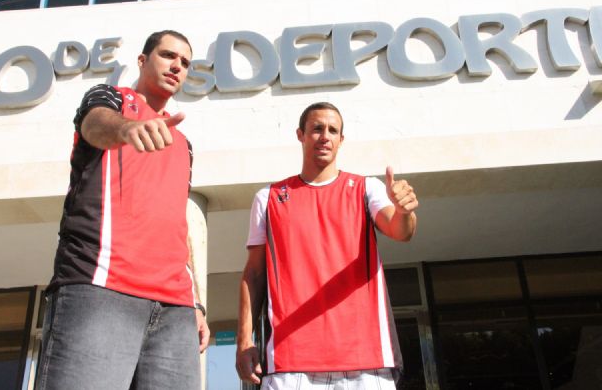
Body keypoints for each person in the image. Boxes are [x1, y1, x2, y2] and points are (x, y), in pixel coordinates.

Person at [35, 30, 210, 390]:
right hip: (100, 288)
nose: (177, 66)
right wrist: (128, 128)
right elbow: (94, 124)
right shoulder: (111, 100)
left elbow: (176, 224)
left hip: (175, 308)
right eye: (168, 55)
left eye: (185, 62)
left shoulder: (184, 144)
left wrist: (195, 302)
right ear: (143, 61)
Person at [236, 102, 419, 389]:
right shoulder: (268, 198)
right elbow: (254, 274)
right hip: (290, 361)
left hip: (365, 358)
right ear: (300, 135)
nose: (325, 137)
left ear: (341, 140)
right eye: (317, 129)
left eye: (333, 131)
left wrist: (404, 211)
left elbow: (400, 231)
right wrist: (244, 340)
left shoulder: (365, 188)